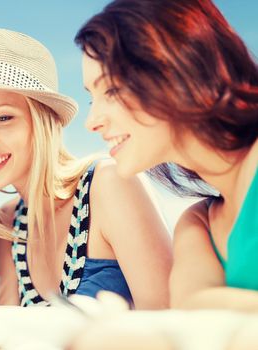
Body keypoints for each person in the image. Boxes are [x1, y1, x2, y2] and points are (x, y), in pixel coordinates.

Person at [0, 28, 172, 308]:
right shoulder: (9, 223)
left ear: (44, 121)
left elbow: (172, 323)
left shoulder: (108, 183)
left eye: (3, 117)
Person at [76, 0, 258, 311]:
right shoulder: (198, 223)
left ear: (178, 70)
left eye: (112, 91)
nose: (92, 121)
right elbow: (192, 316)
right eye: (91, 97)